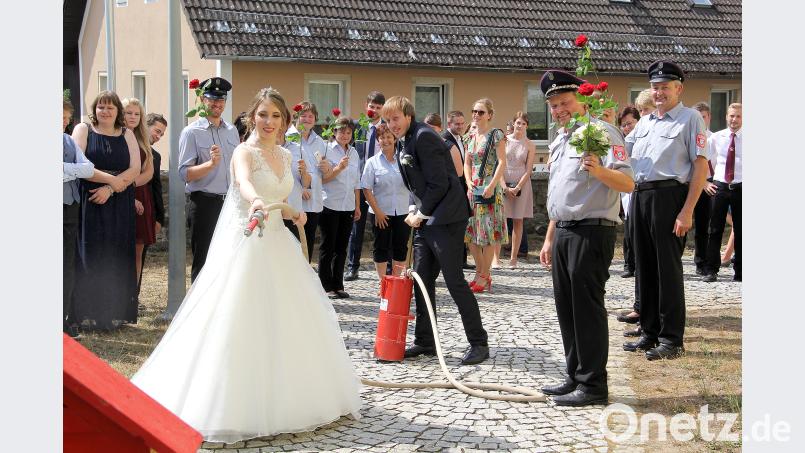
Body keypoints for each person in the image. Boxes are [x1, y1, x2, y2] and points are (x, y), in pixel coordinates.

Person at [131, 87, 362, 442]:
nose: (269, 122)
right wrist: (255, 201)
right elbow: (245, 183)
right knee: (238, 316)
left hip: (277, 240)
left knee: (290, 316)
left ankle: (294, 396)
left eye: (276, 116)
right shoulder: (243, 151)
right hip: (247, 240)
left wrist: (293, 211)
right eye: (263, 114)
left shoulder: (286, 156)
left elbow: (281, 196)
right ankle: (230, 403)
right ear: (252, 116)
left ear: (285, 121)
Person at [538, 70, 634, 406]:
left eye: (563, 102)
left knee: (587, 308)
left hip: (592, 230)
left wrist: (599, 170)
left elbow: (627, 183)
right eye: (552, 105)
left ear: (581, 98)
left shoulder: (601, 132)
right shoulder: (563, 138)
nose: (558, 109)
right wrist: (550, 237)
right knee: (567, 308)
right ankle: (574, 374)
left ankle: (593, 385)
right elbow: (561, 193)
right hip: (565, 230)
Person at [382, 96, 489, 365]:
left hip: (447, 218)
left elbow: (440, 183)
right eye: (387, 120)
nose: (392, 124)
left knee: (454, 280)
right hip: (426, 218)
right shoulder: (405, 140)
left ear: (408, 115)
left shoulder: (424, 137)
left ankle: (479, 342)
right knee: (421, 279)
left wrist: (422, 213)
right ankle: (425, 340)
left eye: (396, 118)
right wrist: (411, 209)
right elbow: (414, 185)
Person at [623, 60, 710, 361]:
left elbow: (700, 167)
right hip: (641, 196)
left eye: (665, 87)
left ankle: (672, 338)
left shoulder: (690, 119)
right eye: (655, 87)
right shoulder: (645, 122)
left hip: (670, 197)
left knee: (667, 270)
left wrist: (686, 211)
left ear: (678, 88)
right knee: (644, 267)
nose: (659, 93)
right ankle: (649, 332)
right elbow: (621, 152)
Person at [70, 91, 141, 330]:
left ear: (118, 111)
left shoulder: (128, 134)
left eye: (110, 108)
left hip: (119, 202)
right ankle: (86, 314)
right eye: (101, 107)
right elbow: (79, 165)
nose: (105, 111)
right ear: (95, 109)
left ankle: (114, 313)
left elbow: (135, 168)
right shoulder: (83, 130)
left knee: (116, 255)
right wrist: (111, 182)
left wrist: (111, 189)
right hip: (90, 200)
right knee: (90, 255)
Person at [178, 77, 240, 282]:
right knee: (203, 260)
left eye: (221, 100)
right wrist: (210, 165)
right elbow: (184, 173)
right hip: (204, 203)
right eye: (212, 99)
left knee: (228, 259)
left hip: (229, 203)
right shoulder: (191, 132)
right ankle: (198, 312)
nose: (217, 104)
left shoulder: (232, 131)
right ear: (203, 100)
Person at [464, 98, 508, 293]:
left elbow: (502, 161)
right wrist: (467, 181)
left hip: (490, 188)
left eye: (481, 112)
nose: (476, 114)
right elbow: (467, 163)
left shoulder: (496, 135)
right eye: (474, 111)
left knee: (489, 234)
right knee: (471, 233)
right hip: (474, 189)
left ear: (489, 115)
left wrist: (492, 185)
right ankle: (481, 272)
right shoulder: (470, 136)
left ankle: (484, 274)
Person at [360, 123, 412, 286]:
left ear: (395, 139)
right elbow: (366, 189)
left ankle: (396, 282)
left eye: (389, 137)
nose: (386, 140)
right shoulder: (372, 162)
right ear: (378, 140)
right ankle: (383, 283)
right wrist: (378, 212)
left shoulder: (404, 159)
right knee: (381, 247)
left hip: (403, 211)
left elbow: (413, 184)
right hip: (380, 212)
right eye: (382, 137)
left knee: (400, 247)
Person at [63, 98, 96, 338]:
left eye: (66, 119)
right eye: (60, 118)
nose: (64, 123)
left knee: (67, 266)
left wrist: (64, 170)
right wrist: (71, 170)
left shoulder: (66, 140)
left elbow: (88, 169)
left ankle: (64, 319)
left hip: (70, 209)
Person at [319, 117, 362, 299]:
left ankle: (338, 284)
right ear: (334, 132)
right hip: (330, 203)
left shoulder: (354, 152)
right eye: (341, 131)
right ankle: (324, 285)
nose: (345, 135)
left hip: (348, 205)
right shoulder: (327, 150)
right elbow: (323, 179)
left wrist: (358, 206)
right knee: (328, 246)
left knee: (342, 247)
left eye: (348, 132)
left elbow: (356, 182)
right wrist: (339, 168)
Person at [345, 91, 385, 281]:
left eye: (378, 107)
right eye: (372, 106)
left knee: (381, 225)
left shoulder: (386, 129)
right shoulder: (357, 127)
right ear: (366, 106)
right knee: (356, 226)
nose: (374, 110)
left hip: (379, 183)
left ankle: (386, 265)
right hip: (360, 182)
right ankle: (353, 266)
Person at [703, 103, 742, 282]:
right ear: (726, 116)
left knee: (742, 230)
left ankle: (740, 270)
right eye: (731, 116)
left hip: (741, 187)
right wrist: (704, 182)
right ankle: (711, 269)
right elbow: (702, 161)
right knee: (715, 228)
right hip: (720, 186)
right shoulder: (717, 138)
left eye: (738, 116)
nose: (734, 120)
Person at [122, 98, 155, 303]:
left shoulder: (143, 140)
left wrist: (131, 187)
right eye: (128, 113)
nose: (133, 117)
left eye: (137, 114)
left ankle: (132, 298)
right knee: (120, 251)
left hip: (141, 195)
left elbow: (149, 171)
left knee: (137, 250)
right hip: (119, 195)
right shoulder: (117, 136)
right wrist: (125, 191)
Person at [288, 101, 328, 263]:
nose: (307, 119)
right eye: (303, 115)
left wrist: (327, 168)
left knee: (308, 244)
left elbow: (325, 172)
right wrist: (302, 187)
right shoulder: (287, 138)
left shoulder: (320, 141)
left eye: (311, 116)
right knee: (292, 242)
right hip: (293, 199)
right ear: (296, 117)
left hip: (313, 200)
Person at [442, 110, 475, 271]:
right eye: (457, 124)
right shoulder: (444, 139)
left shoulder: (461, 138)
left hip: (462, 187)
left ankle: (461, 259)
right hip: (451, 190)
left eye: (463, 123)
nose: (461, 126)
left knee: (461, 224)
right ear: (449, 124)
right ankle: (453, 260)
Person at [503, 112, 536, 269]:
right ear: (513, 124)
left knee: (518, 220)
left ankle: (513, 258)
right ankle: (495, 257)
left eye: (523, 123)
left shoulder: (530, 144)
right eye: (518, 123)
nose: (520, 126)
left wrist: (517, 187)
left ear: (527, 126)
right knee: (501, 220)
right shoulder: (504, 141)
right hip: (504, 183)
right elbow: (499, 164)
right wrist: (504, 186)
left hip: (522, 185)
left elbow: (528, 169)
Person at [692, 101, 717, 276]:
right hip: (689, 183)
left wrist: (708, 182)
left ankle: (701, 262)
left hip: (709, 183)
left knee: (703, 225)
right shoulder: (688, 138)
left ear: (709, 118)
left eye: (703, 117)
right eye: (697, 118)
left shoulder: (715, 138)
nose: (701, 121)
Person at [617, 106, 640, 279]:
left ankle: (639, 263)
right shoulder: (619, 142)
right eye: (623, 125)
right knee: (629, 227)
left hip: (641, 186)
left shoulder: (642, 139)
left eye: (630, 123)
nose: (627, 127)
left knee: (638, 229)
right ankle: (628, 264)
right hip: (627, 190)